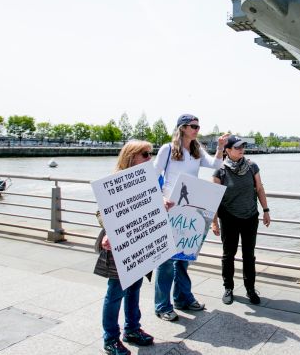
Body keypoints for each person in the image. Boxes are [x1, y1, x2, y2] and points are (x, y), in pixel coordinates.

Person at [152, 114, 229, 321]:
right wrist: (160, 199)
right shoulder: (167, 149)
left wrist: (221, 147)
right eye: (193, 126)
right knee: (166, 260)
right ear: (182, 128)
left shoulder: (197, 150)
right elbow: (152, 176)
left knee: (184, 257)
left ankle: (182, 298)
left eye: (198, 126)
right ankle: (162, 306)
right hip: (169, 207)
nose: (197, 129)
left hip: (189, 207)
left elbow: (216, 165)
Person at [94, 140, 156, 355]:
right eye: (146, 154)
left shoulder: (147, 181)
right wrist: (110, 232)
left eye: (151, 153)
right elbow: (101, 212)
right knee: (115, 292)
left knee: (134, 289)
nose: (150, 158)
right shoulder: (114, 181)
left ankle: (132, 329)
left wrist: (163, 204)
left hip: (138, 242)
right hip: (119, 244)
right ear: (131, 157)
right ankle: (110, 338)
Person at [211, 135, 271, 305]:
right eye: (237, 147)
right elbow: (214, 198)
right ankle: (228, 288)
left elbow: (259, 188)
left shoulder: (252, 166)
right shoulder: (220, 170)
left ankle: (250, 289)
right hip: (229, 218)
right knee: (228, 255)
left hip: (250, 217)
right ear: (228, 150)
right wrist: (214, 222)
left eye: (242, 147)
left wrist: (266, 210)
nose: (241, 150)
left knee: (249, 255)